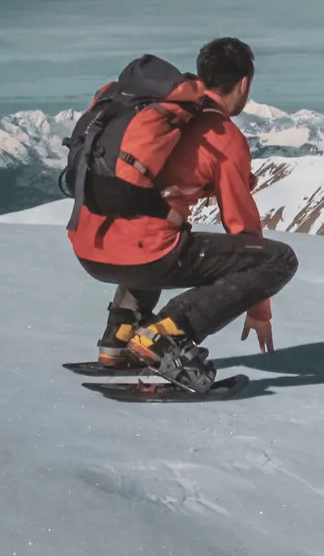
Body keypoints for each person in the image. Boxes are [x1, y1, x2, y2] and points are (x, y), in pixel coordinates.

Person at [67, 37, 297, 389]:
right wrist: (258, 307)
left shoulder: (161, 113)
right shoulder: (223, 135)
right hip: (142, 256)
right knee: (279, 260)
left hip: (87, 244)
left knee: (159, 232)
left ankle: (119, 337)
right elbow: (242, 228)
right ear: (244, 83)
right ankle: (163, 336)